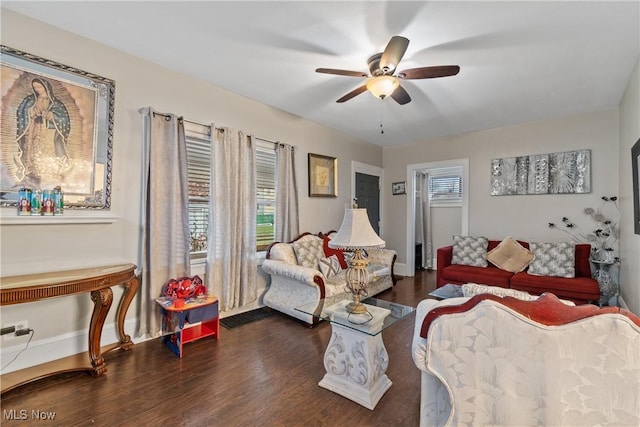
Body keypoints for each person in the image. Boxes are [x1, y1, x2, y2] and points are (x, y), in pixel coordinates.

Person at [14, 77, 71, 185]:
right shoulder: (30, 100)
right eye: (35, 87)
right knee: (32, 150)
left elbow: (63, 118)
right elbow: (22, 111)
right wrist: (32, 112)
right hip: (33, 129)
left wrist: (50, 115)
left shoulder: (56, 104)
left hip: (47, 131)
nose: (37, 89)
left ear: (46, 87)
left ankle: (47, 173)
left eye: (39, 87)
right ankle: (31, 172)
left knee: (47, 150)